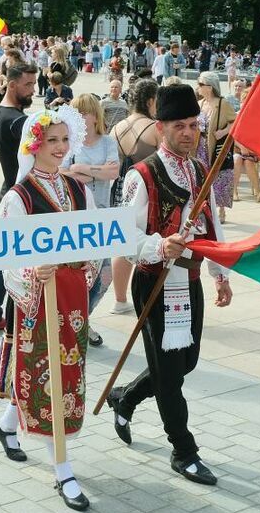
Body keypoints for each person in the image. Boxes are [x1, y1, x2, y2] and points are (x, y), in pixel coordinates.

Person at [106, 84, 233, 486]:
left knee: (185, 363)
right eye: (180, 126)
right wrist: (160, 245)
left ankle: (125, 397)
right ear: (161, 128)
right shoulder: (141, 176)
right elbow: (124, 240)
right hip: (155, 282)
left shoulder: (199, 169)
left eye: (194, 125)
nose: (189, 133)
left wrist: (220, 273)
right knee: (170, 375)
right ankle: (184, 450)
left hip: (189, 278)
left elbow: (211, 223)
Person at [0, 105, 99, 510]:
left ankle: (7, 426)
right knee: (45, 372)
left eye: (64, 139)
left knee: (68, 367)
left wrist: (84, 263)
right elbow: (8, 255)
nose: (59, 147)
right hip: (37, 298)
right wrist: (33, 271)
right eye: (50, 140)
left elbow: (94, 242)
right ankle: (63, 468)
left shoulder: (77, 189)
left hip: (70, 295)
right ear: (33, 144)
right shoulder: (19, 197)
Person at [0, 62, 40, 335]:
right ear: (13, 83)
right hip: (21, 195)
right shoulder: (17, 121)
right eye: (29, 84)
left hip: (9, 189)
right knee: (8, 258)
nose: (33, 89)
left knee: (4, 254)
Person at [61, 92, 118, 346]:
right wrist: (96, 174)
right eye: (77, 112)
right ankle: (74, 323)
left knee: (105, 275)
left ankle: (83, 318)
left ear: (96, 115)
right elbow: (62, 172)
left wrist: (83, 170)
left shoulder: (107, 142)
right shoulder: (70, 143)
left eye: (84, 112)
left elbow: (113, 171)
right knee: (76, 273)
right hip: (77, 216)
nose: (81, 117)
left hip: (103, 215)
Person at [108, 79, 159, 314]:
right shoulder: (155, 128)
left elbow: (113, 162)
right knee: (148, 242)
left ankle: (119, 300)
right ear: (150, 101)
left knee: (121, 243)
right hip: (147, 191)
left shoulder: (118, 127)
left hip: (119, 188)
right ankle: (148, 298)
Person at [196, 71, 236, 223]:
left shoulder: (222, 103)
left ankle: (221, 209)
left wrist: (224, 131)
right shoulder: (200, 104)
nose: (198, 87)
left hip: (215, 146)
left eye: (201, 84)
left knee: (219, 178)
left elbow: (236, 121)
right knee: (201, 178)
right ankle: (203, 208)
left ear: (209, 87)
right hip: (200, 147)